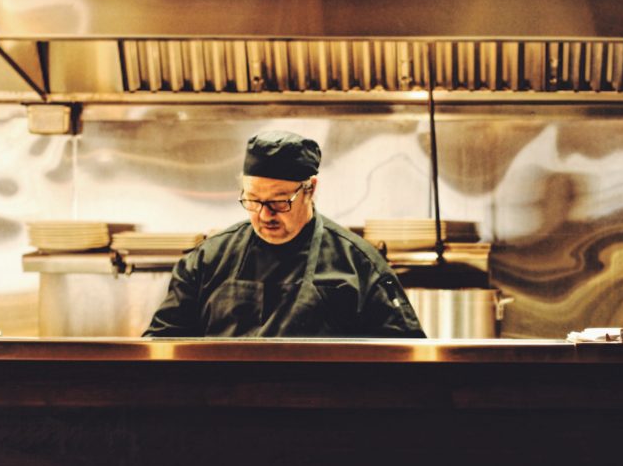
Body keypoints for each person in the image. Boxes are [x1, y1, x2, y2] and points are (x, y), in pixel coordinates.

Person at [144, 131, 425, 338]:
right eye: (253, 200)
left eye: (279, 202)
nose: (265, 215)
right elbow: (161, 346)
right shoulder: (207, 261)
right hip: (225, 412)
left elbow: (404, 355)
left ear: (311, 189)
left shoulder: (359, 263)